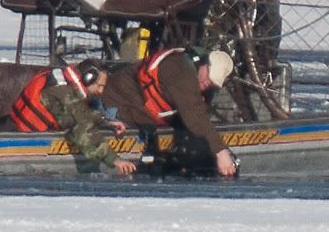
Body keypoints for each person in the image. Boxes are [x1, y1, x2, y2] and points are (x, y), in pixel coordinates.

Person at [101, 48, 238, 177]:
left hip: (142, 114)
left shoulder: (200, 80)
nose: (208, 83)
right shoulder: (179, 71)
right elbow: (195, 117)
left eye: (213, 82)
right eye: (209, 77)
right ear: (205, 64)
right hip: (116, 104)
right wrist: (220, 151)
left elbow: (198, 114)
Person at [11, 59, 136, 176]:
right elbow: (82, 131)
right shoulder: (63, 92)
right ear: (88, 78)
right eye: (100, 85)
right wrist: (115, 160)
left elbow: (81, 112)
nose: (101, 91)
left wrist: (105, 121)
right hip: (24, 133)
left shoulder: (66, 81)